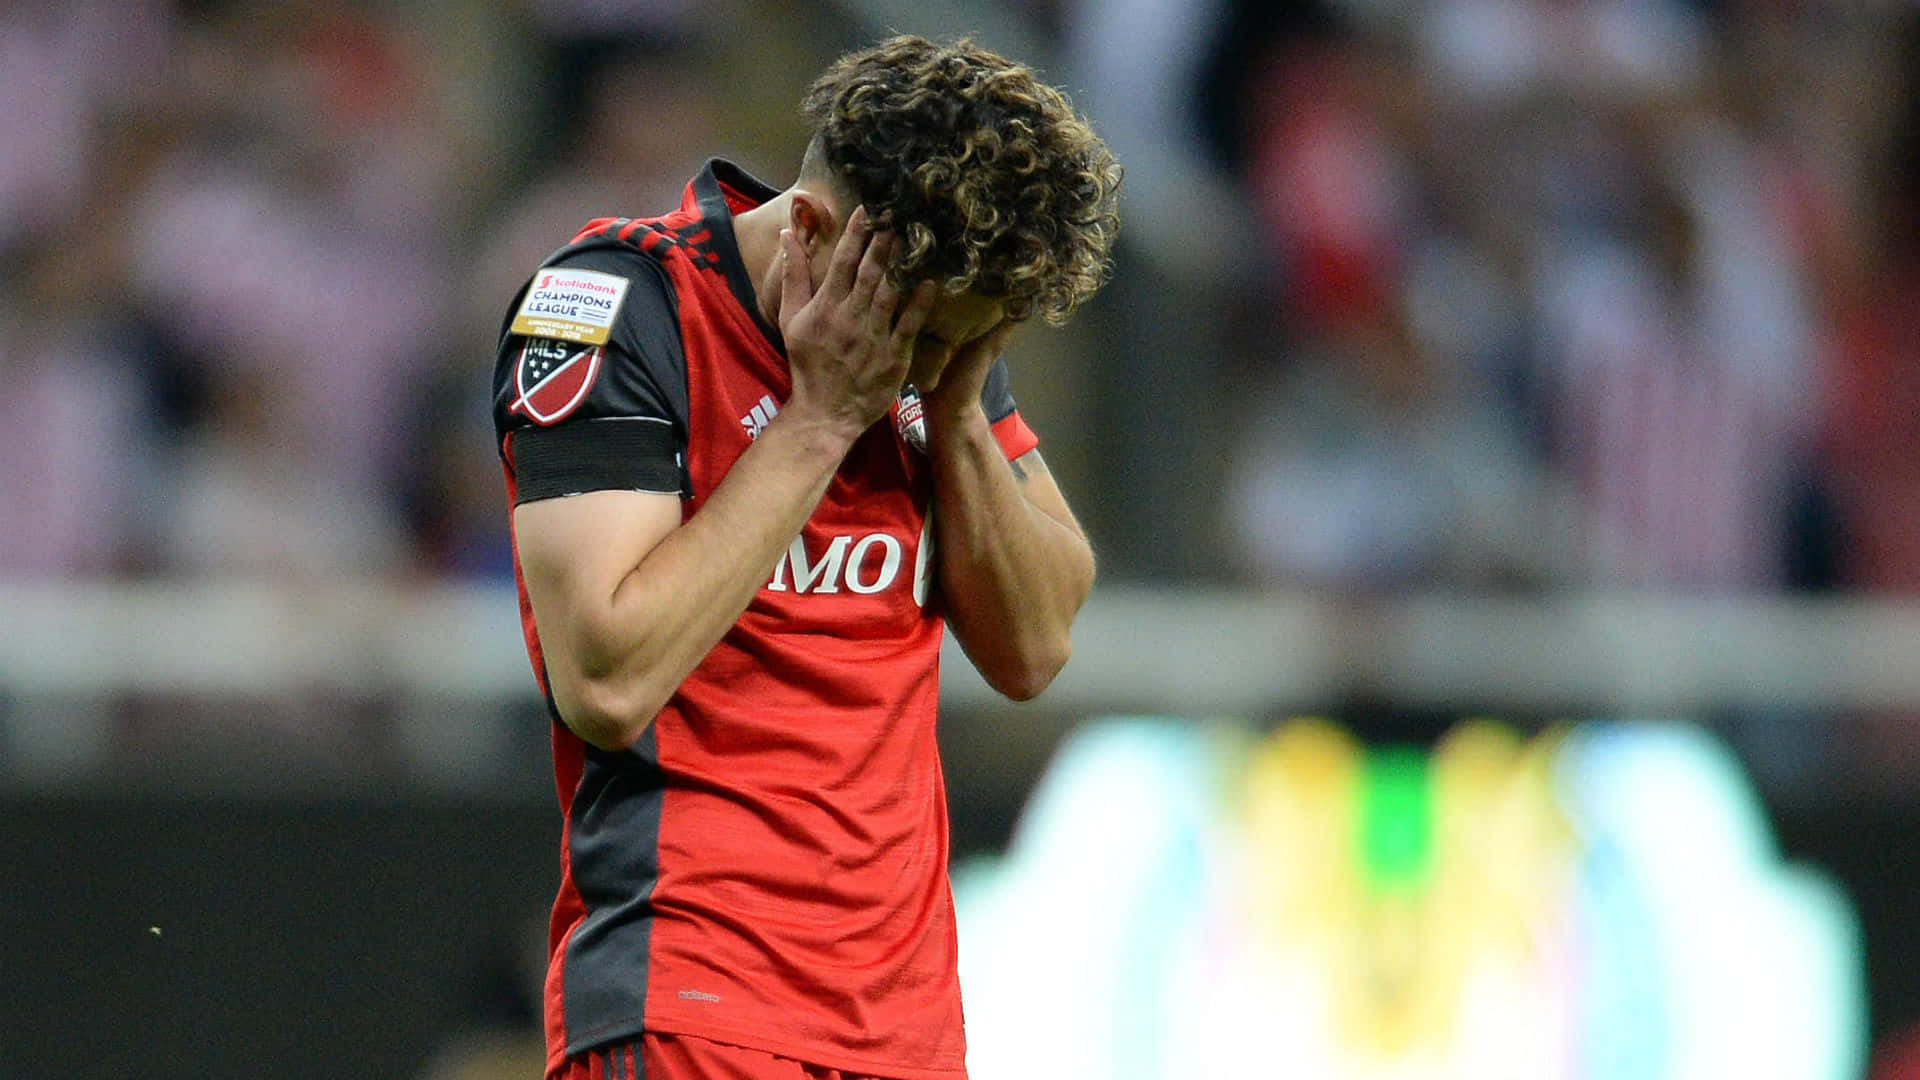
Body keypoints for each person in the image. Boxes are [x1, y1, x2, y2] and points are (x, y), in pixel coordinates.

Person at [489, 35, 1121, 1080]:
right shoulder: (615, 312)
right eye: (927, 344)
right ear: (816, 232)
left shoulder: (933, 337)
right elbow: (605, 675)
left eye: (965, 344)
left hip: (906, 1031)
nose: (920, 366)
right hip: (687, 1006)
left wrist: (955, 406)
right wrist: (823, 419)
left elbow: (1037, 644)